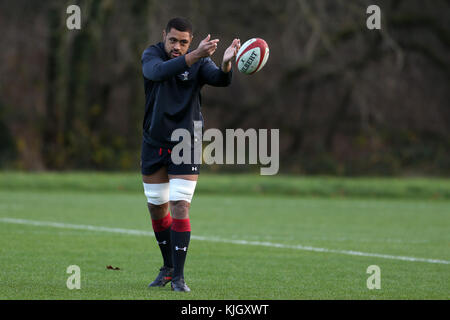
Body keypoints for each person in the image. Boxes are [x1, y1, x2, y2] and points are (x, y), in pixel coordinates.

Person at [141, 17, 240, 292]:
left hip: (186, 143)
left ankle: (180, 277)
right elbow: (157, 72)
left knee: (180, 206)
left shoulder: (201, 62)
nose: (177, 46)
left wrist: (227, 63)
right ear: (164, 36)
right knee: (156, 207)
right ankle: (168, 268)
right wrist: (196, 54)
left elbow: (220, 80)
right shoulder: (152, 55)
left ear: (190, 40)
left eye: (184, 42)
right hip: (153, 142)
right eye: (173, 40)